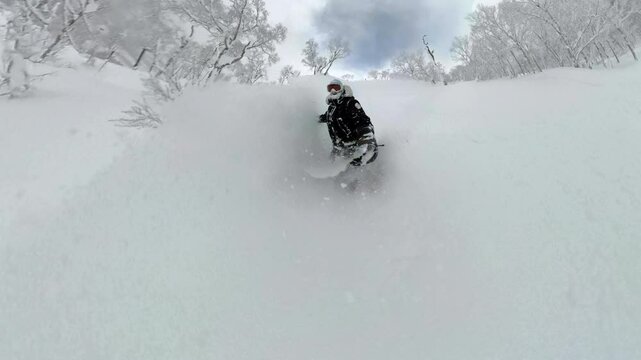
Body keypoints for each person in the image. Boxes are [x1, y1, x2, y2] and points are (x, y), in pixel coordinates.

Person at [318, 79, 378, 166]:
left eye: (336, 88)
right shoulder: (332, 107)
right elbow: (326, 117)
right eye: (330, 88)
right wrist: (310, 119)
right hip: (338, 148)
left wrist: (367, 145)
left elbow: (363, 122)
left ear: (342, 89)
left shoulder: (350, 104)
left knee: (349, 173)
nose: (333, 91)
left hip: (353, 148)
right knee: (330, 168)